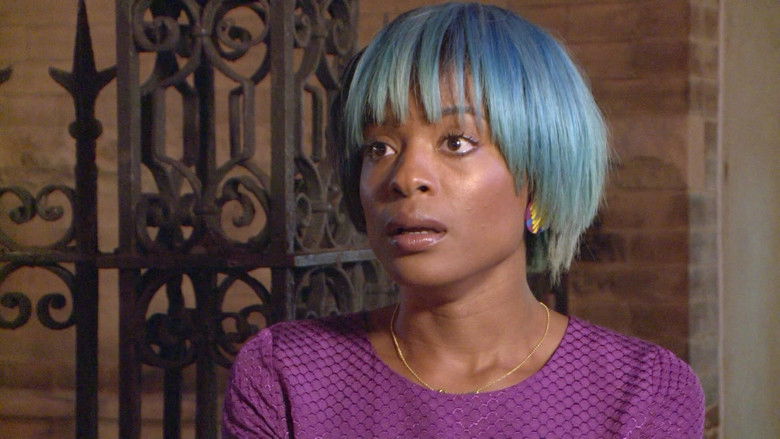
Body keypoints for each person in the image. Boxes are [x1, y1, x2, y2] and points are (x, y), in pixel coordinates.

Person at [222, 3, 705, 437]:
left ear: (538, 180)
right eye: (379, 147)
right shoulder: (285, 376)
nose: (406, 177)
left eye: (456, 142)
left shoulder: (641, 394)